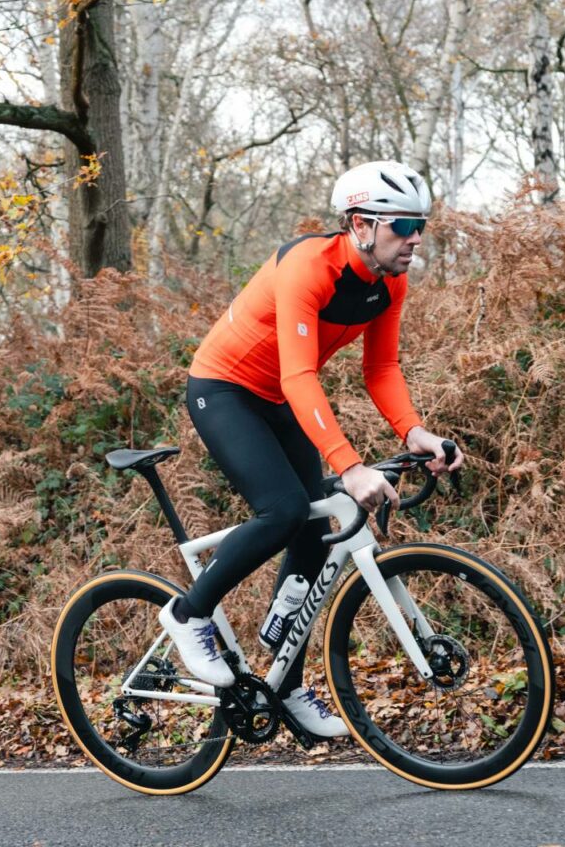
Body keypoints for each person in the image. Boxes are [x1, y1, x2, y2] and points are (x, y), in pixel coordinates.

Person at [159, 160, 466, 738]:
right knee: (284, 511)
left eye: (420, 225)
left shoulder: (389, 282)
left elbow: (381, 368)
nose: (415, 238)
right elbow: (300, 375)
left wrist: (414, 433)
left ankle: (287, 684)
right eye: (403, 225)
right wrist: (348, 466)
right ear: (361, 225)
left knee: (313, 531)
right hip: (224, 388)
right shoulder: (309, 267)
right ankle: (187, 613)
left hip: (279, 395)